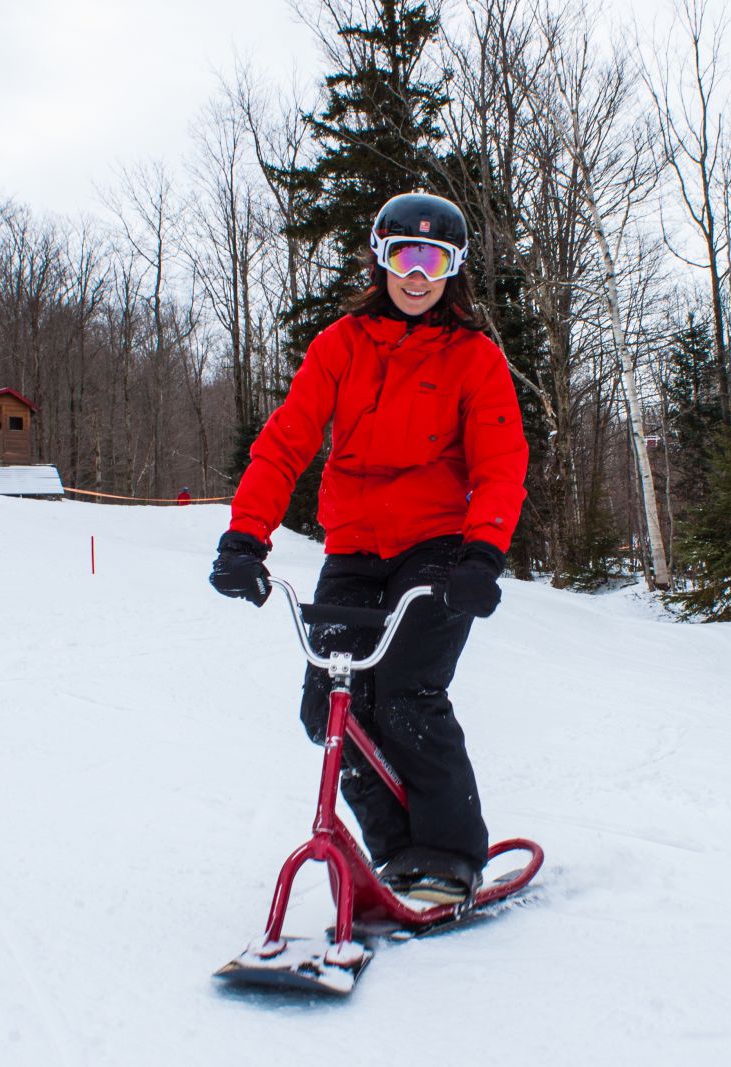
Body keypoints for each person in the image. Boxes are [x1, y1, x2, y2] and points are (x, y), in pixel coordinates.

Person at [209, 191, 527, 906]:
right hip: (354, 545)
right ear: (381, 259)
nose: (418, 275)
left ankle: (446, 854)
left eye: (435, 259)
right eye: (405, 256)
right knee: (331, 703)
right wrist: (245, 536)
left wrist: (482, 555)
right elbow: (288, 439)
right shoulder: (342, 344)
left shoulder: (473, 357)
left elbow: (501, 460)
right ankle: (396, 852)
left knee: (409, 692)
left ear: (455, 270)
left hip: (438, 550)